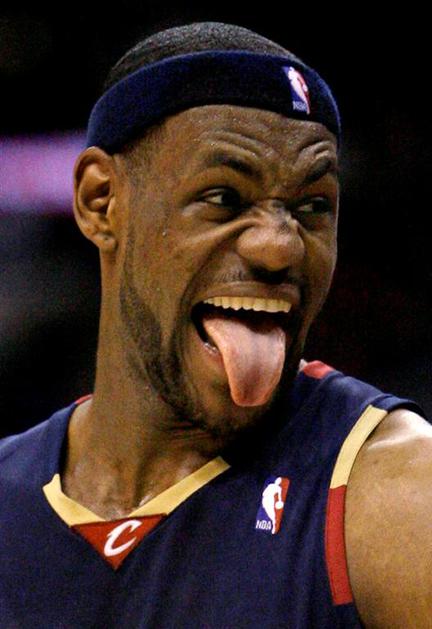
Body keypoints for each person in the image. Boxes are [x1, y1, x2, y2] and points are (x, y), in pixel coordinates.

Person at [0, 21, 430, 628]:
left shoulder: (395, 490)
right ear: (102, 202)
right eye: (224, 198)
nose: (280, 247)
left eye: (313, 207)